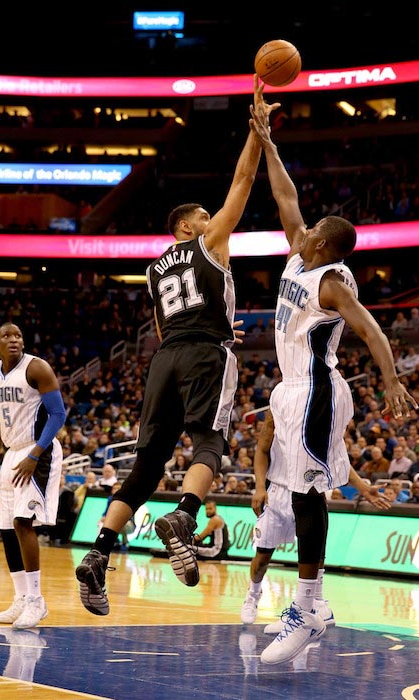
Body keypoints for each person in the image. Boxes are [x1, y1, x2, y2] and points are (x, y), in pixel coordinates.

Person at [75, 75, 276, 616]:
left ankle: (98, 554)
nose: (215, 220)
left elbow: (165, 329)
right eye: (204, 218)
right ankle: (184, 513)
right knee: (210, 444)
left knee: (146, 462)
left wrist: (206, 328)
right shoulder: (209, 243)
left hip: (164, 359)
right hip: (205, 354)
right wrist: (257, 134)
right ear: (189, 227)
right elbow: (242, 182)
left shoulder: (152, 268)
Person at [248, 91, 418, 665]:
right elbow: (284, 193)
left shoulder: (333, 282)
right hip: (291, 391)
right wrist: (268, 143)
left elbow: (371, 330)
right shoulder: (301, 254)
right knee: (297, 496)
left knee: (308, 495)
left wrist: (391, 380)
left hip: (319, 392)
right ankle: (307, 605)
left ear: (326, 243)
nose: (306, 225)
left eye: (315, 226)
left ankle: (310, 606)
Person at [240, 408, 392, 630]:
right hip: (276, 492)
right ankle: (253, 595)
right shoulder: (277, 415)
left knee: (313, 555)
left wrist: (364, 488)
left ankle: (314, 608)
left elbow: (340, 462)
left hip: (308, 490)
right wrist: (260, 487)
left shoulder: (321, 421)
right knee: (262, 557)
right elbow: (262, 451)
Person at [0, 322, 66, 629]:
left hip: (38, 449)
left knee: (23, 522)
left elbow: (58, 414)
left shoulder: (37, 368)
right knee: (6, 528)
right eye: (6, 336)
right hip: (12, 453)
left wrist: (35, 455)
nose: (13, 339)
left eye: (17, 335)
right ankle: (20, 599)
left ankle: (36, 601)